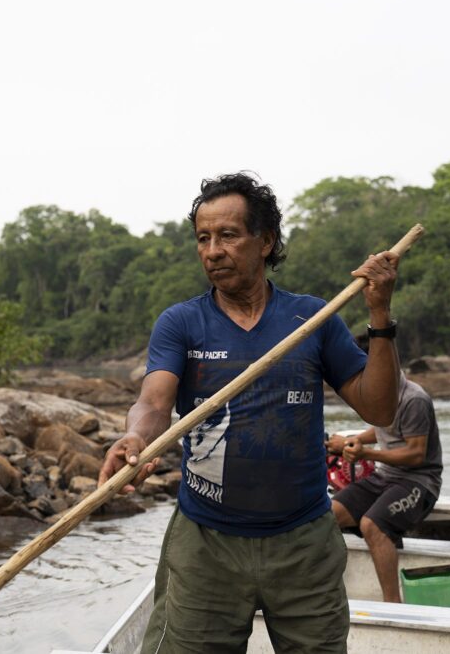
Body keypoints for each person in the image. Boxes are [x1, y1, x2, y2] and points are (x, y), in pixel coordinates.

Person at [98, 171, 402, 653]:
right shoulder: (182, 323)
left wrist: (380, 315)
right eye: (203, 238)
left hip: (303, 542)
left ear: (266, 242)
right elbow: (154, 403)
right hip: (206, 546)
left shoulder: (313, 319)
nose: (213, 250)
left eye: (228, 235)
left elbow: (380, 407)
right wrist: (136, 438)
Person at [327, 374, 442, 603]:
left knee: (372, 525)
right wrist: (352, 441)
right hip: (385, 476)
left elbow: (416, 454)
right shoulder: (381, 393)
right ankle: (325, 590)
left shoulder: (413, 399)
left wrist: (366, 453)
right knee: (325, 517)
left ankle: (393, 603)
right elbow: (382, 430)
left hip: (420, 481)